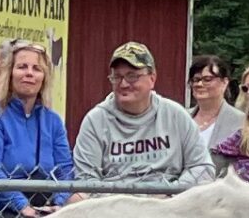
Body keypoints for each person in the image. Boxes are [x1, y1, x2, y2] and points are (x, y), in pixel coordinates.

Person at [70, 41, 213, 192]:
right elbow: (85, 180)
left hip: (170, 205)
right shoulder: (96, 121)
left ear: (152, 78)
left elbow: (203, 168)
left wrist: (171, 194)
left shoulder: (176, 115)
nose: (123, 84)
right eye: (117, 77)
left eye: (132, 76)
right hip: (115, 207)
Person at [0, 39, 73, 218]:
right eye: (22, 67)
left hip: (41, 209)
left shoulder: (53, 121)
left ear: (44, 78)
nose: (29, 73)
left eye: (37, 69)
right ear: (10, 74)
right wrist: (23, 207)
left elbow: (65, 169)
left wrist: (59, 203)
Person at [186, 54, 244, 150]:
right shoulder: (181, 118)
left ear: (224, 82)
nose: (199, 84)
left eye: (207, 79)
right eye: (196, 80)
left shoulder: (241, 122)